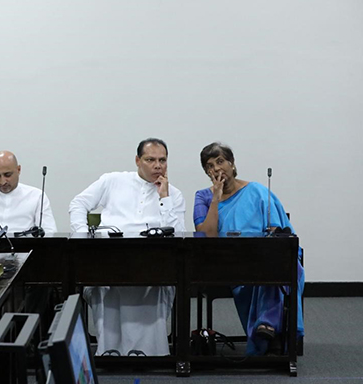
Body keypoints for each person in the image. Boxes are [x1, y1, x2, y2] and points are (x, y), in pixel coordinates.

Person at [69, 138, 185, 356]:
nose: (157, 166)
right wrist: (83, 236)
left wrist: (164, 198)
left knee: (157, 284)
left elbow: (177, 234)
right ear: (137, 161)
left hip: (152, 264)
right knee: (103, 284)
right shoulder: (113, 181)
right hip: (110, 258)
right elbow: (78, 204)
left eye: (162, 160)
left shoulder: (173, 195)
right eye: (150, 160)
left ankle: (150, 354)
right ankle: (109, 351)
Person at [193, 142, 305, 355]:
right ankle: (272, 333)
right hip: (228, 263)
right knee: (272, 269)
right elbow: (206, 237)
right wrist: (216, 199)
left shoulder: (257, 191)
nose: (216, 169)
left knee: (282, 264)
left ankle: (267, 326)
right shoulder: (203, 197)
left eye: (220, 161)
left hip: (263, 257)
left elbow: (279, 232)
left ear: (232, 164)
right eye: (210, 166)